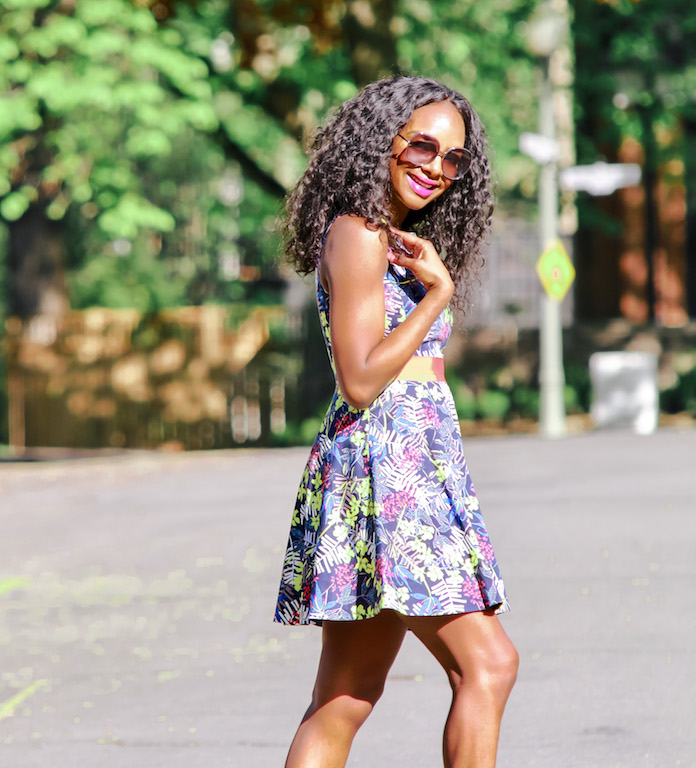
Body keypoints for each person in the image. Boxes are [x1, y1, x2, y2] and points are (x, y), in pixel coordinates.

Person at [274, 75, 518, 768]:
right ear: (383, 141)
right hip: (386, 473)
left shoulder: (392, 239)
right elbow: (359, 380)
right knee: (489, 665)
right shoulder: (357, 235)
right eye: (422, 146)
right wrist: (436, 295)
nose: (435, 167)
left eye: (453, 159)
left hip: (406, 469)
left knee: (345, 696)